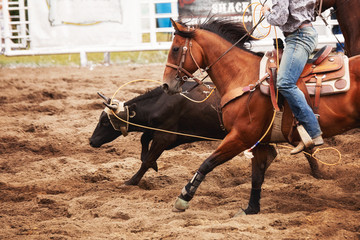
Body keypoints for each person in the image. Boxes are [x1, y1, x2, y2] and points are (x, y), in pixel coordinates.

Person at [260, 0, 323, 154]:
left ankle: (313, 131)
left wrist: (266, 12)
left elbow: (280, 18)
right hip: (302, 34)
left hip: (298, 37)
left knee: (285, 82)